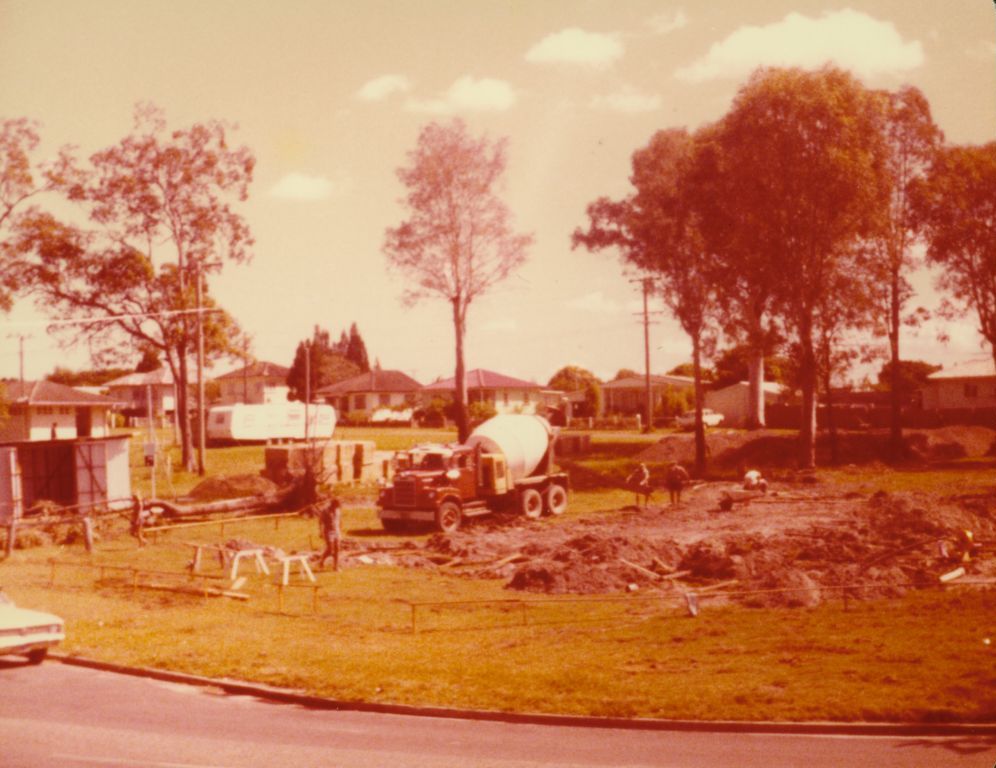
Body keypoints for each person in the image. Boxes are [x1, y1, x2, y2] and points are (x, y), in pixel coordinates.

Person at [317, 495, 342, 571]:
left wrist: (340, 530)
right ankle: (321, 561)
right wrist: (321, 532)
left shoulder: (338, 510)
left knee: (337, 548)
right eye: (337, 505)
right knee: (330, 549)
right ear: (332, 504)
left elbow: (339, 520)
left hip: (337, 531)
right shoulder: (325, 511)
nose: (337, 507)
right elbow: (321, 522)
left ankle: (336, 566)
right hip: (328, 531)